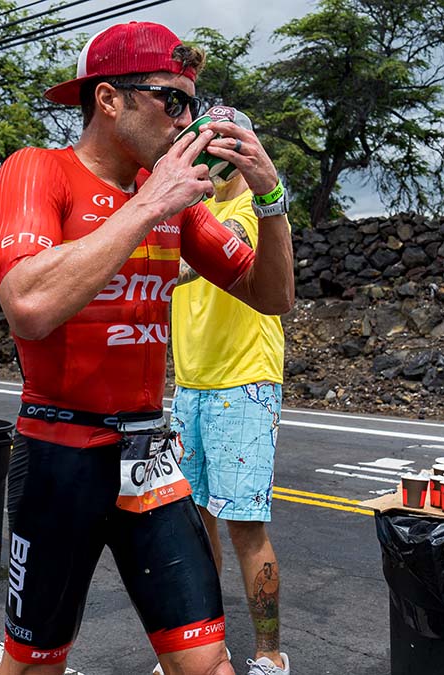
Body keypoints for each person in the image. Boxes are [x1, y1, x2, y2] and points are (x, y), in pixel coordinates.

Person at [0, 21, 294, 675]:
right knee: (37, 663)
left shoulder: (175, 200)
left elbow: (272, 295)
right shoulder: (39, 171)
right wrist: (147, 205)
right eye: (170, 100)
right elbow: (30, 305)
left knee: (207, 663)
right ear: (108, 100)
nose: (186, 119)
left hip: (147, 448)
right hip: (59, 451)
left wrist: (271, 197)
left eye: (192, 102)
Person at [170, 162, 290, 674]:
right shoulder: (185, 212)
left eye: (218, 154)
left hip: (244, 382)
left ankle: (269, 656)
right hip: (190, 384)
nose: (208, 165)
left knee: (244, 525)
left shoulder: (250, 210)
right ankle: (206, 649)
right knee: (194, 526)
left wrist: (152, 265)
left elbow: (223, 249)